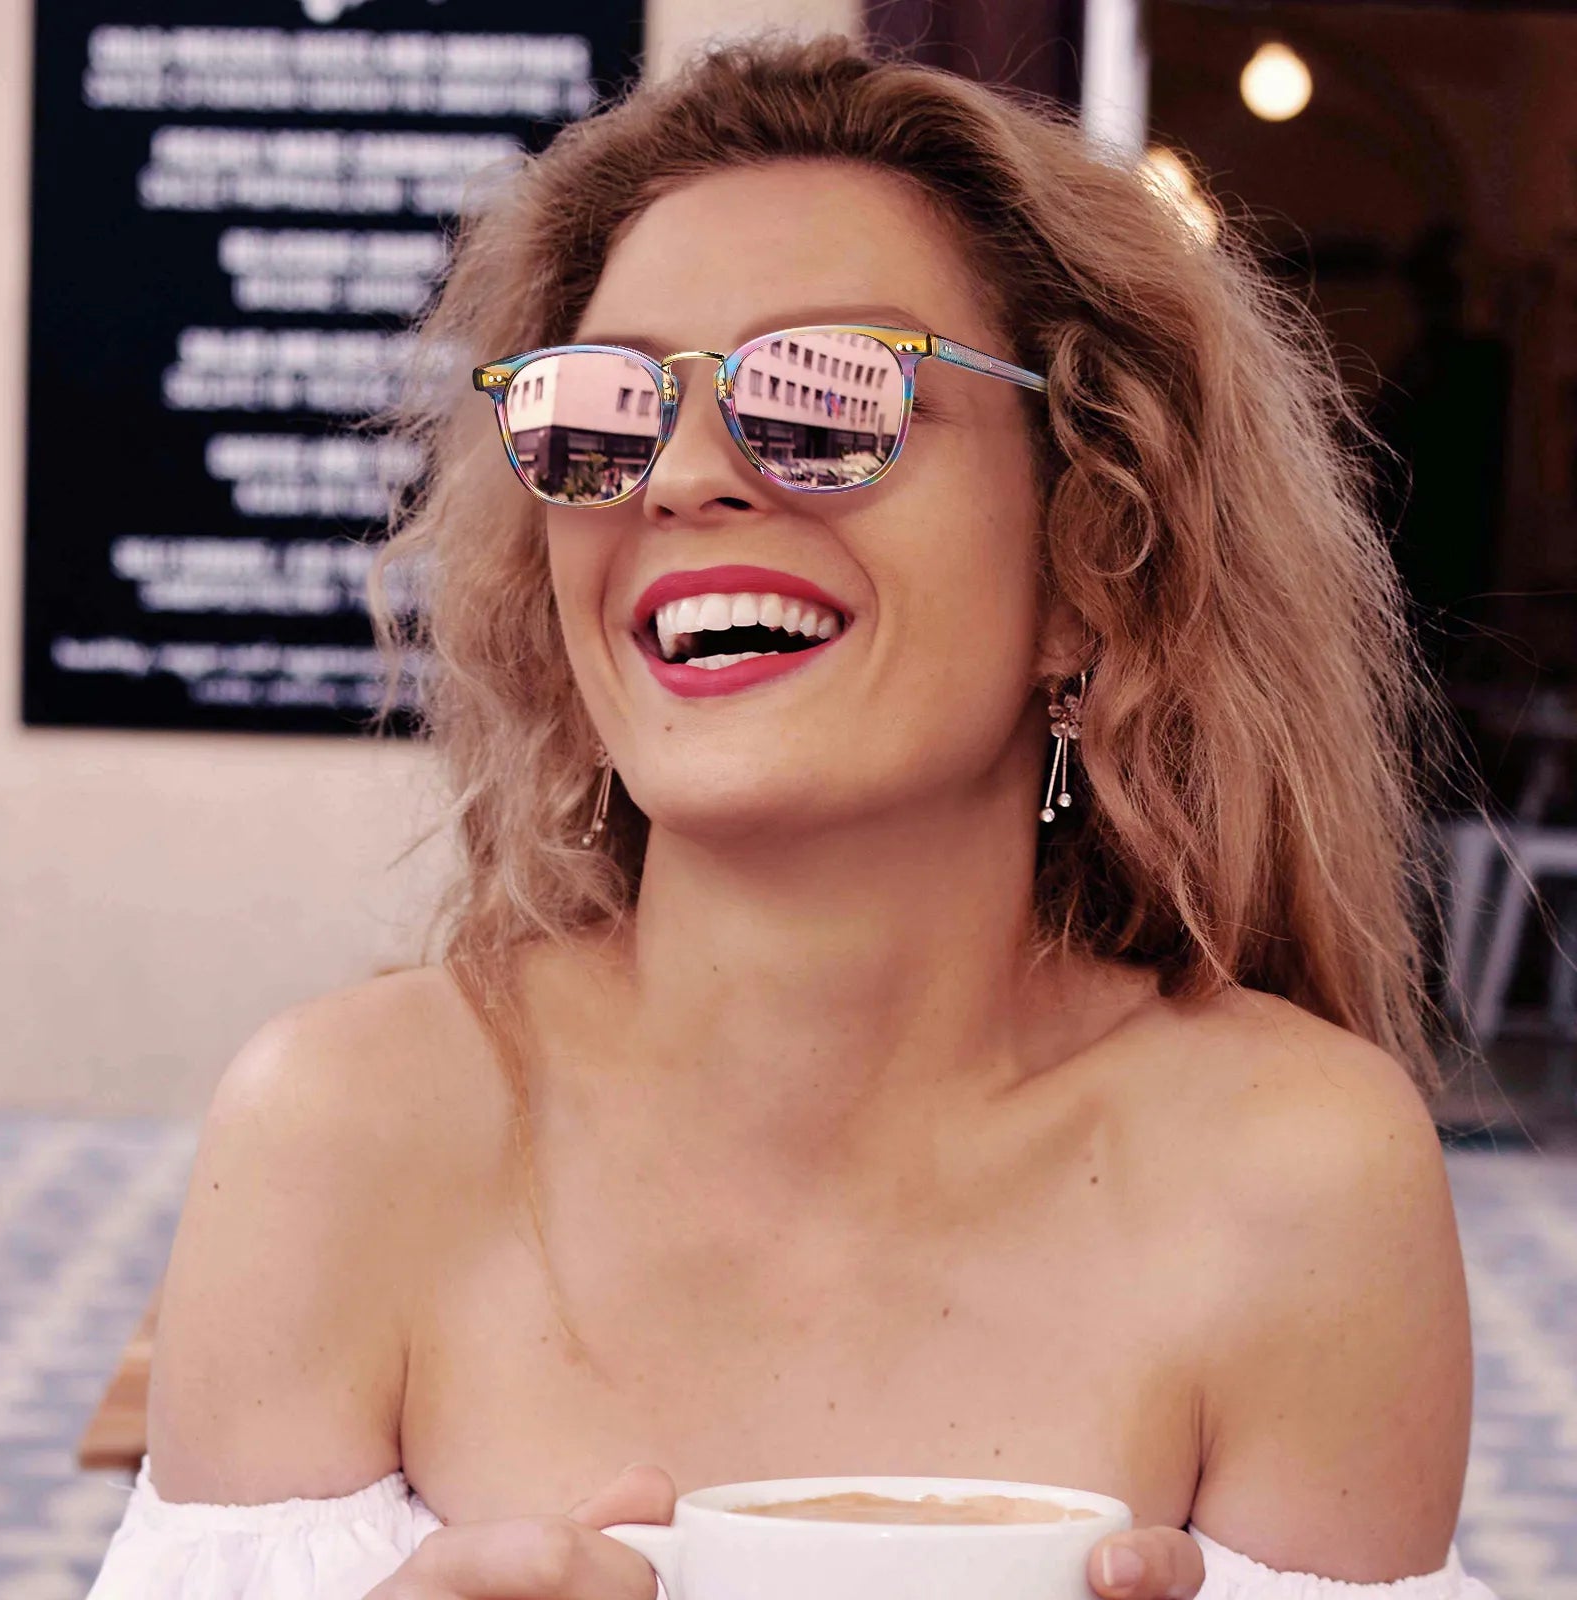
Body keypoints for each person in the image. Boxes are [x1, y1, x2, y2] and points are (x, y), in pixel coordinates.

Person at [87, 36, 1495, 1600]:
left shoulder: (1301, 1182)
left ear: (1091, 561)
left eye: (826, 393)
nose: (680, 476)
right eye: (600, 414)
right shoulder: (343, 1133)